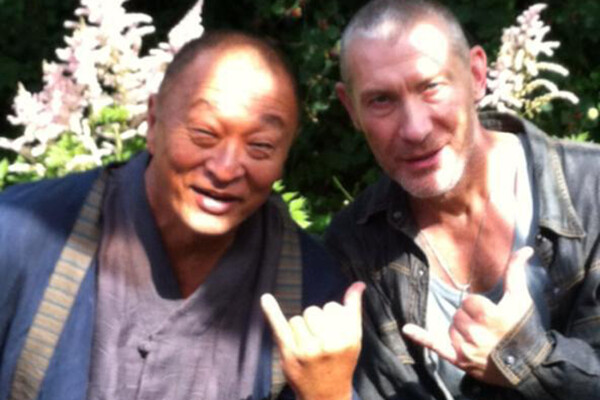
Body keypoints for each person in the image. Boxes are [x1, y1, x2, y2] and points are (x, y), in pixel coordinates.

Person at [0, 31, 364, 400]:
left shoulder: (313, 292)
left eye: (260, 145)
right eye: (204, 133)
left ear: (285, 154)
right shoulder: (20, 235)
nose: (226, 169)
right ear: (153, 122)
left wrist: (328, 395)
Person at [325, 0, 600, 399]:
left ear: (476, 75)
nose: (415, 128)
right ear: (351, 108)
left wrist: (526, 358)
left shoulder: (592, 190)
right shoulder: (356, 245)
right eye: (381, 100)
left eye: (431, 86)